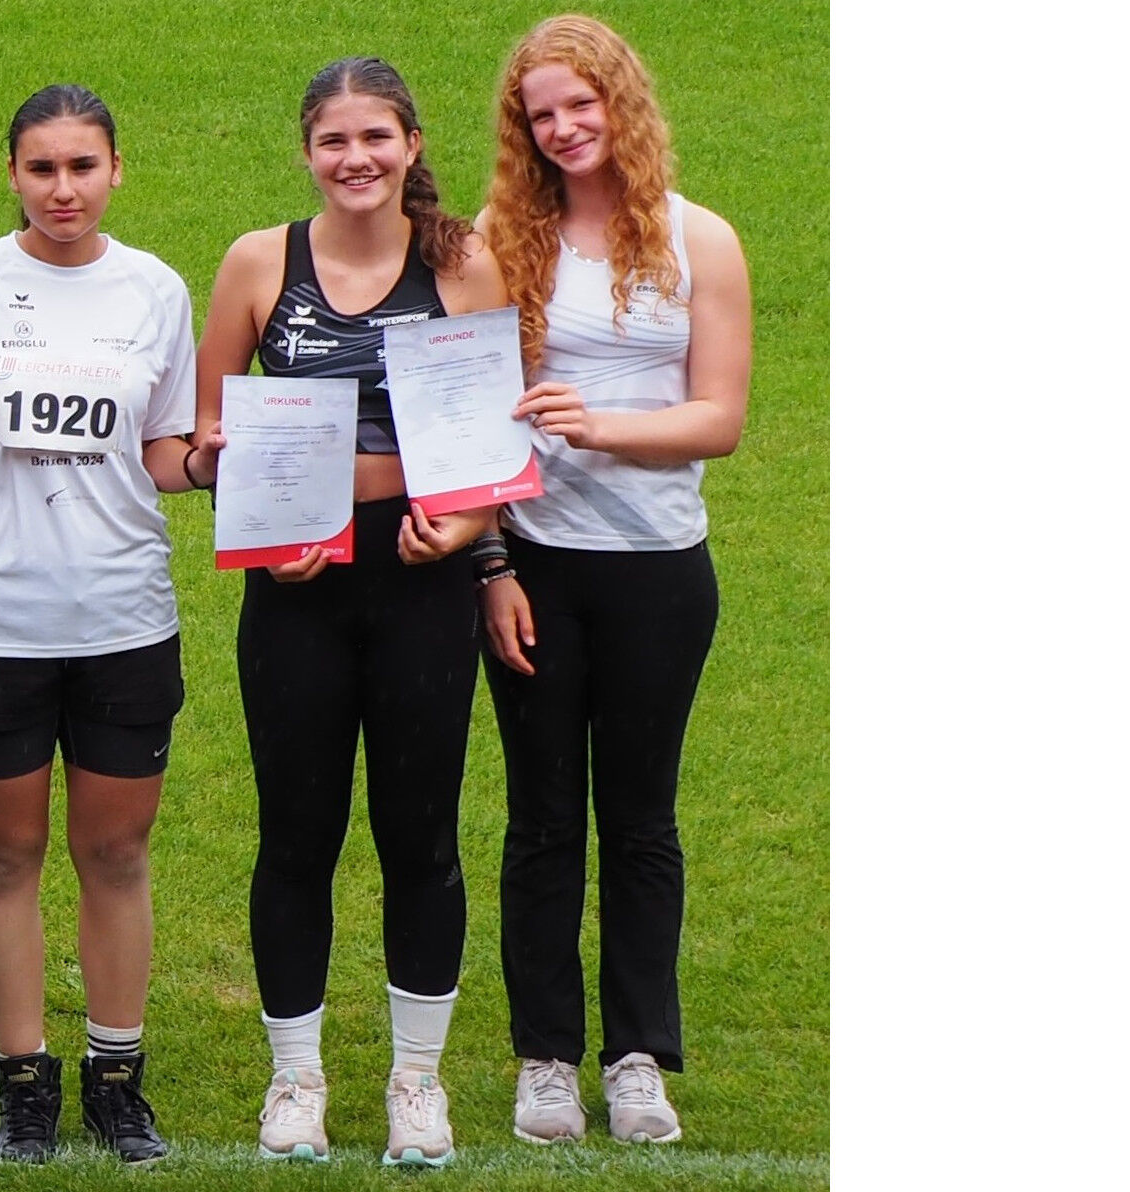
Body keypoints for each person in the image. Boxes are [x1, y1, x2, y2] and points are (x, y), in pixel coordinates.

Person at [189, 56, 506, 1168]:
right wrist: (239, 497)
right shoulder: (257, 262)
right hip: (296, 587)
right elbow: (202, 442)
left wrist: (463, 533)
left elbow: (492, 446)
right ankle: (297, 1081)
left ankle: (416, 1082)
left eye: (376, 137)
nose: (355, 158)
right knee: (295, 835)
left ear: (411, 145)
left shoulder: (461, 264)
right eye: (334, 140)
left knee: (420, 836)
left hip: (420, 579)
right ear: (307, 152)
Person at [0, 83, 206, 1167]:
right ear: (12, 174)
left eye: (82, 166)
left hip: (123, 615)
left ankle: (117, 1079)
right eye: (41, 168)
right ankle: (22, 1083)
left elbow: (165, 453)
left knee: (114, 852)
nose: (62, 188)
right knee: (4, 854)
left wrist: (232, 462)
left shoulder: (156, 290)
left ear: (116, 170)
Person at [471, 13, 752, 1148]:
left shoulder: (699, 239)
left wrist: (600, 426)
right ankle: (545, 1057)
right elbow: (462, 416)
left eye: (579, 105)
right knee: (541, 818)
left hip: (658, 571)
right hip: (533, 566)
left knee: (640, 820)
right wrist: (491, 563)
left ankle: (637, 1057)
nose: (562, 128)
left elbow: (718, 418)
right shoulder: (499, 240)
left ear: (617, 103)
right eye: (539, 114)